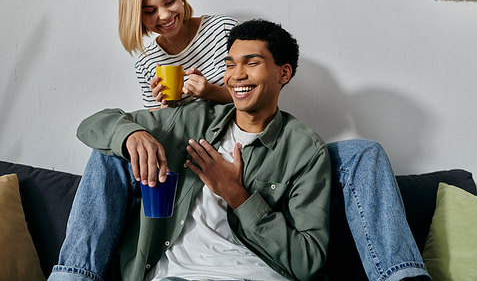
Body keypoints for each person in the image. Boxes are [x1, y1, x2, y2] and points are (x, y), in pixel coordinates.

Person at [48, 19, 430, 281]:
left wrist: (238, 195)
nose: (236, 74)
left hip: (256, 274)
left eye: (252, 63)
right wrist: (133, 135)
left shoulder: (304, 150)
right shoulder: (193, 120)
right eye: (230, 64)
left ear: (283, 73)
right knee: (111, 147)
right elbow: (93, 124)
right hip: (180, 275)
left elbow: (308, 262)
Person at [118, 0, 237, 109]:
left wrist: (210, 91)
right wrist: (166, 104)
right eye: (150, 11)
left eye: (169, 1)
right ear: (137, 17)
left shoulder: (223, 29)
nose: (165, 15)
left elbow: (258, 93)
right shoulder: (146, 63)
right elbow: (160, 126)